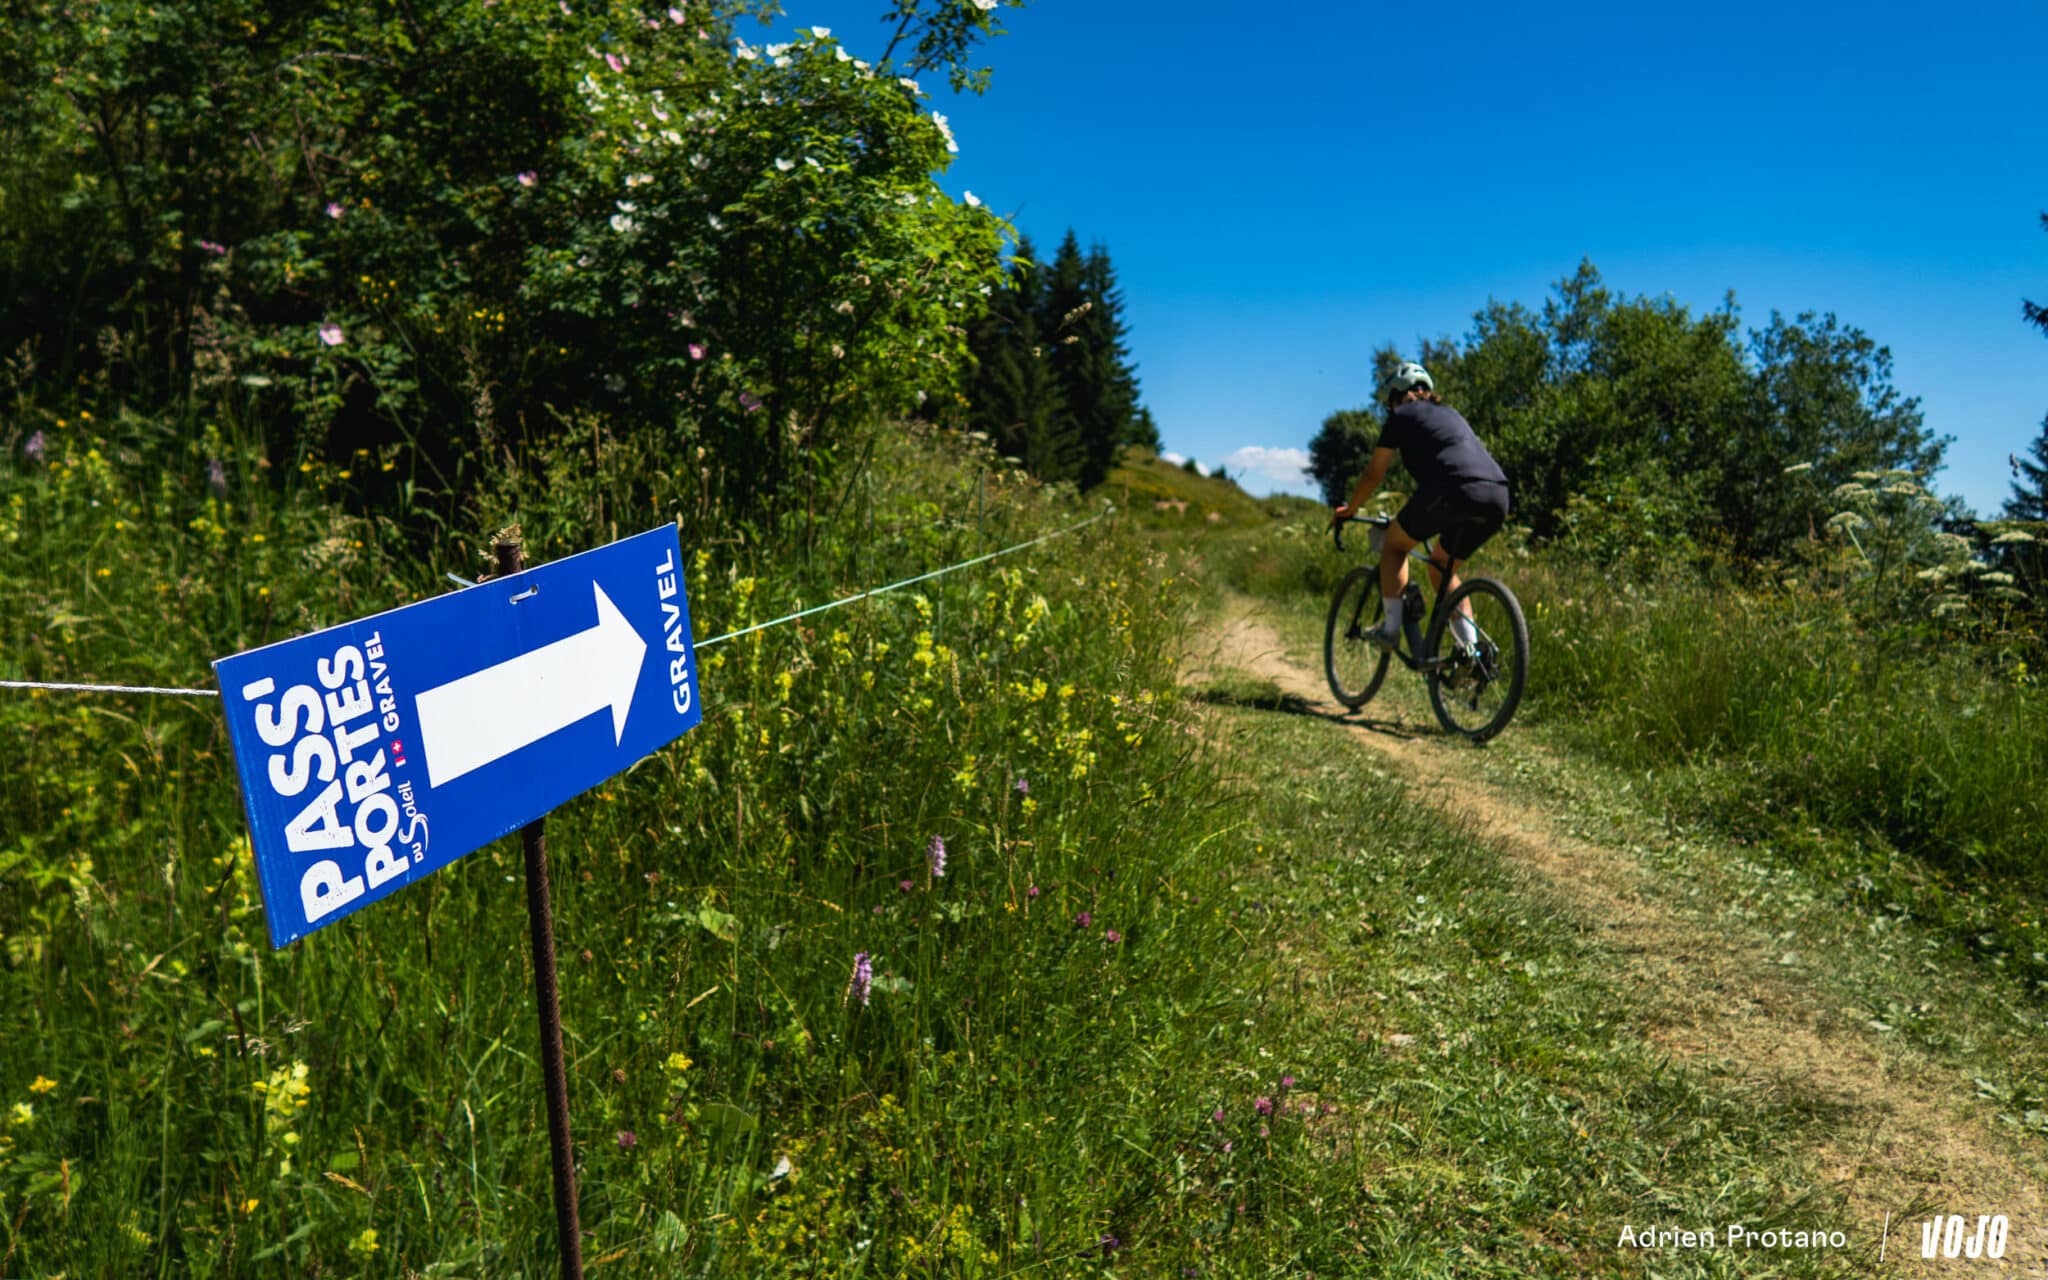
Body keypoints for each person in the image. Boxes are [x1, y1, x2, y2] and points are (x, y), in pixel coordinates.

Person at [1329, 361, 1511, 651]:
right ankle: (1471, 652)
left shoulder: (1401, 414)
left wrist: (1350, 509)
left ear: (1397, 395)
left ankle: (1390, 631)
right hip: (1498, 494)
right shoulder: (1451, 415)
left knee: (1394, 546)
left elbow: (1374, 473)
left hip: (1453, 488)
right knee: (1441, 565)